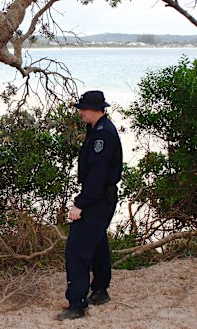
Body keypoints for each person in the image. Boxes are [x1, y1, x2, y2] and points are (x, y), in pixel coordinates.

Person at [57, 90, 123, 321]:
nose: (80, 112)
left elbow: (97, 174)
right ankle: (100, 290)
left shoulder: (102, 136)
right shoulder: (97, 130)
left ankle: (77, 304)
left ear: (96, 109)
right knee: (96, 242)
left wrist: (80, 204)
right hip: (100, 196)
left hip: (97, 198)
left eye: (83, 108)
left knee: (76, 248)